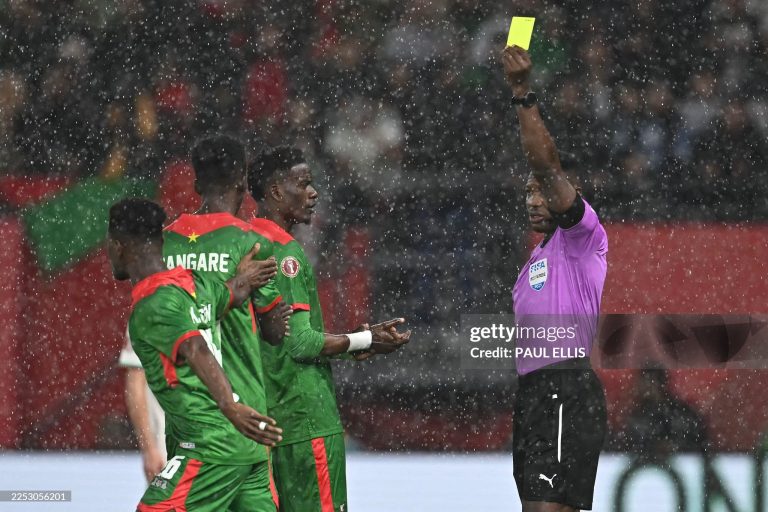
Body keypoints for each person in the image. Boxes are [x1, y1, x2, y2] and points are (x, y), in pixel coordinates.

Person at [248, 146, 412, 512]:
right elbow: (301, 344)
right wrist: (368, 338)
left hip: (266, 420)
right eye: (303, 184)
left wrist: (352, 344)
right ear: (276, 192)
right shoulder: (285, 253)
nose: (314, 192)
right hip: (306, 419)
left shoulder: (245, 244)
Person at [107, 198, 282, 512]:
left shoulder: (152, 305)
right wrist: (245, 277)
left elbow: (194, 348)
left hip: (209, 445)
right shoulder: (192, 284)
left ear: (119, 246)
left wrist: (229, 405)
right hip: (247, 445)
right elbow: (231, 293)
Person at [502, 46, 608, 512]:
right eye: (526, 191)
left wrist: (523, 93)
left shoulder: (583, 236)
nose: (533, 198)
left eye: (541, 191)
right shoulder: (534, 262)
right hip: (534, 394)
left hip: (566, 386)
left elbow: (547, 164)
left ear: (567, 195)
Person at [162, 135, 291, 502]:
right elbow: (273, 330)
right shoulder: (251, 242)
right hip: (244, 414)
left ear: (197, 183)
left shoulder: (167, 242)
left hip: (188, 417)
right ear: (244, 183)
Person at [118, 340, 166, 482]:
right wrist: (149, 448)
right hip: (169, 451)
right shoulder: (145, 318)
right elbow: (135, 383)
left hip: (217, 449)